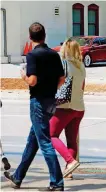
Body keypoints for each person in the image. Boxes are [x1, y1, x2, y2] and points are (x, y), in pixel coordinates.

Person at [4, 22, 65, 191]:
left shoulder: (32, 56)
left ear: (30, 38)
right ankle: (18, 177)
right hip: (50, 100)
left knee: (44, 142)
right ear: (44, 36)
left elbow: (33, 81)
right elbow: (62, 79)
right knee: (33, 140)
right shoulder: (54, 54)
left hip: (37, 101)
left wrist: (24, 75)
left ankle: (57, 182)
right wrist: (51, 88)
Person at [50, 39, 86, 179]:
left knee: (51, 135)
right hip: (79, 107)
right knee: (71, 140)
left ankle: (70, 161)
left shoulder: (63, 64)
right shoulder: (81, 66)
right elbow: (83, 87)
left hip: (65, 106)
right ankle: (68, 171)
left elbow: (57, 83)